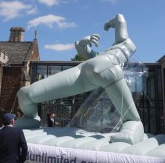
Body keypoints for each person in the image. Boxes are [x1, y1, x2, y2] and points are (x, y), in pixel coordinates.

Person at [17, 14, 143, 143]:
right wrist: (82, 44)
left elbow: (120, 19)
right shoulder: (103, 55)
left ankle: (133, 121)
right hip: (83, 71)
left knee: (104, 67)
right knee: (24, 94)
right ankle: (30, 118)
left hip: (105, 68)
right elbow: (87, 53)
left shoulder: (124, 44)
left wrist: (112, 23)